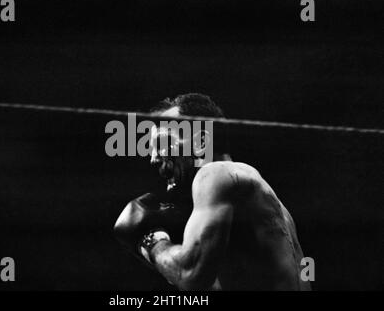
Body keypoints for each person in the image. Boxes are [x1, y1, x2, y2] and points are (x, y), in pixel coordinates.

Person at [113, 93, 311, 290]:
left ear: (200, 143)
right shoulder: (267, 204)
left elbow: (189, 275)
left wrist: (151, 242)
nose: (154, 159)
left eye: (162, 144)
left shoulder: (216, 174)